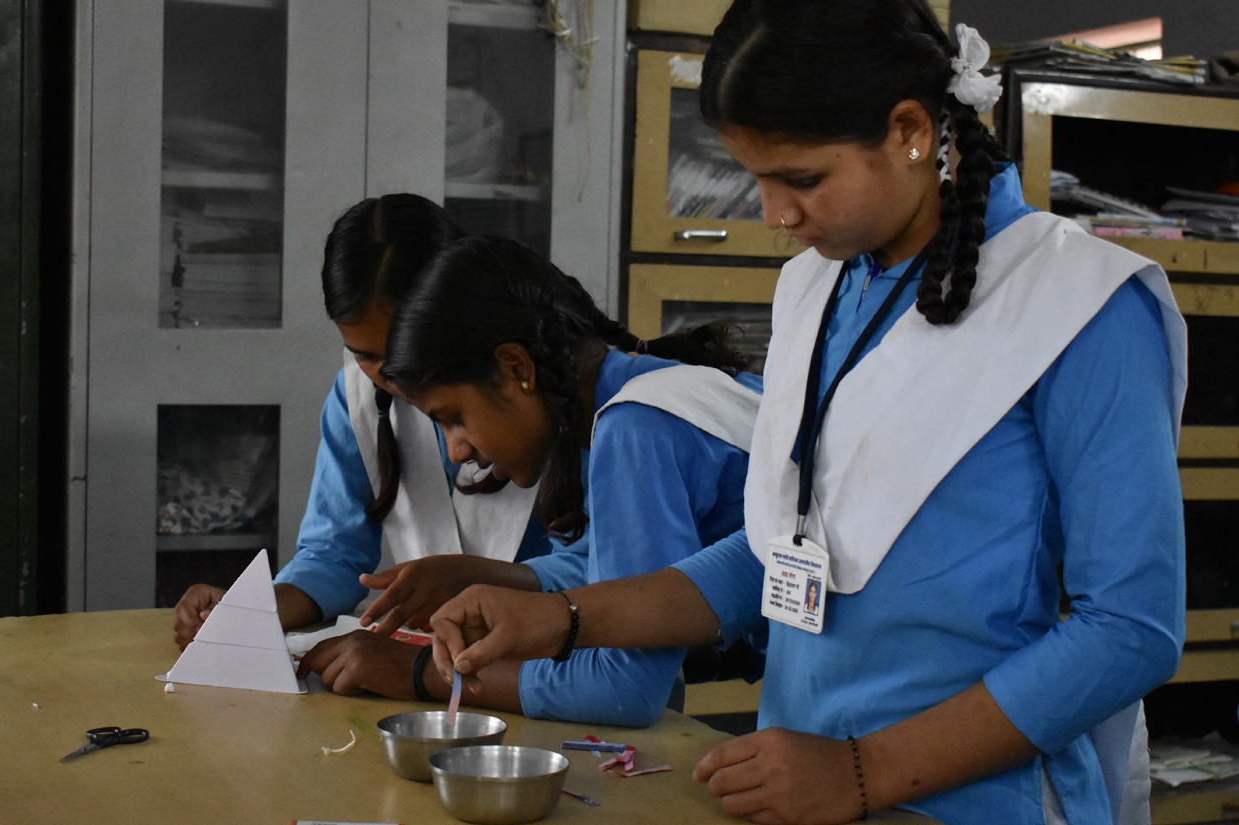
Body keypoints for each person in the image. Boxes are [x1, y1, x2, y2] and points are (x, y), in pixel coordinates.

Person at [425, 2, 1188, 823]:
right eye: (756, 176)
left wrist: (862, 770)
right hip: (808, 788)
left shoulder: (1082, 306)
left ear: (909, 132)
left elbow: (1129, 630)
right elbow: (783, 554)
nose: (773, 215)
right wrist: (562, 617)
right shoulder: (820, 287)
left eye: (801, 179)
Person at [295, 234, 764, 727]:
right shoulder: (658, 391)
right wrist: (491, 577)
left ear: (516, 367)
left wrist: (415, 672)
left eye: (453, 417)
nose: (457, 451)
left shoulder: (634, 427)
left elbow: (625, 686)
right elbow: (625, 581)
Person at [171, 194, 576, 650]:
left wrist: (476, 580)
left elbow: (597, 576)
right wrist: (252, 610)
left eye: (404, 348)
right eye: (365, 355)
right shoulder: (356, 401)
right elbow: (334, 553)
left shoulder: (544, 399)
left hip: (546, 655)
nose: (391, 375)